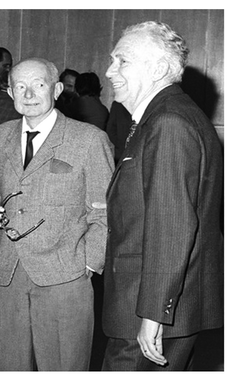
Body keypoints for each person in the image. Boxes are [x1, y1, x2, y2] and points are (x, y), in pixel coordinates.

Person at [102, 21, 223, 371]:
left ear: (157, 69)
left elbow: (172, 226)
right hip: (152, 304)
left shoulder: (168, 123)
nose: (110, 71)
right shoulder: (166, 115)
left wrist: (154, 314)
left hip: (148, 312)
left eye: (121, 61)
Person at [0, 58, 114, 370]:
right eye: (19, 87)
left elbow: (105, 212)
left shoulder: (89, 139)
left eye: (38, 85)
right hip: (8, 274)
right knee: (11, 366)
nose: (28, 93)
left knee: (63, 367)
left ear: (55, 90)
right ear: (10, 93)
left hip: (65, 276)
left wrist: (88, 264)